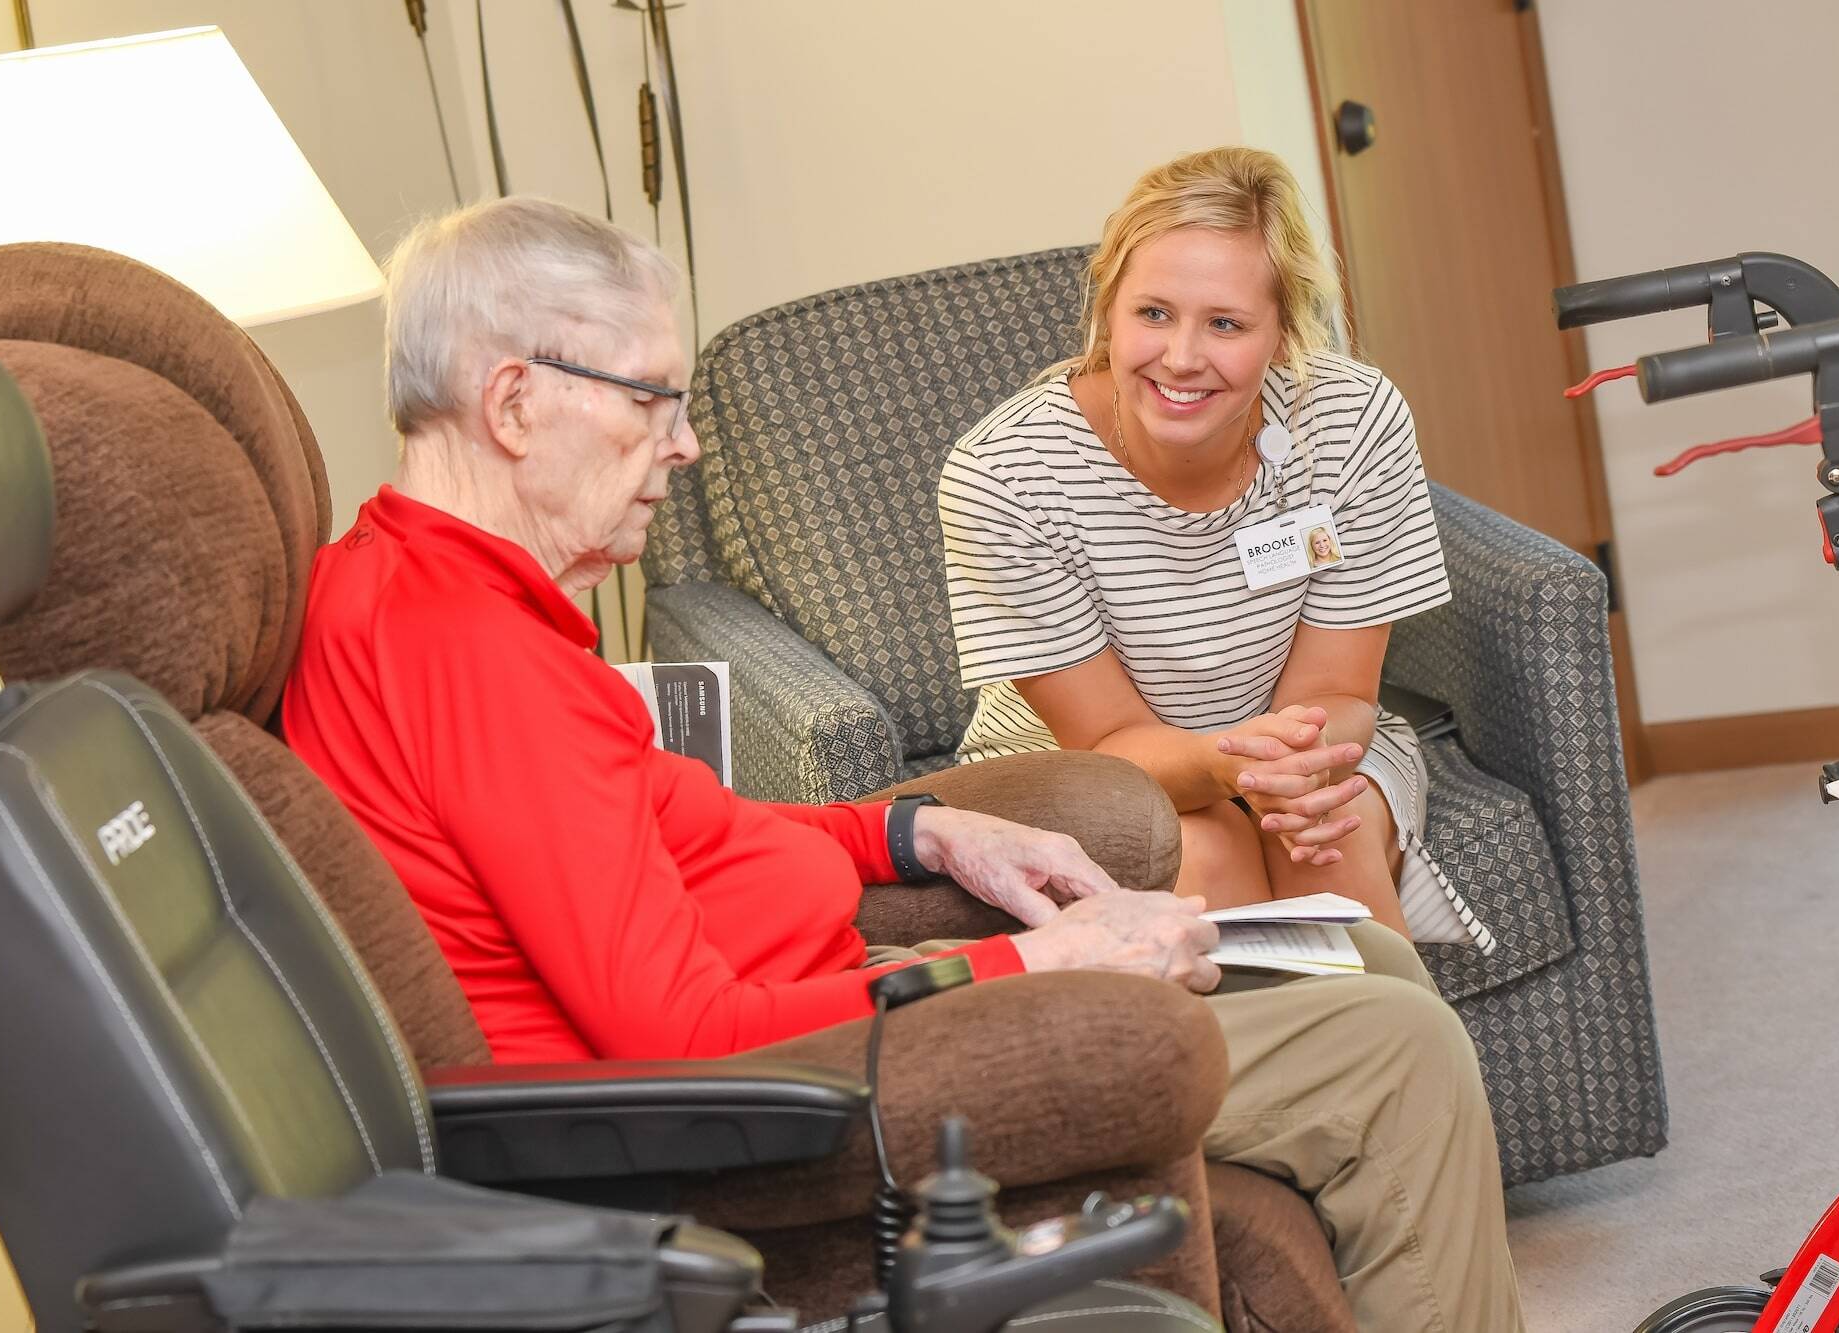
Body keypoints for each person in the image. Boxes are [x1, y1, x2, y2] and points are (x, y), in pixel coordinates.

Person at [283, 194, 1524, 1330]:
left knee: (1352, 950)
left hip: (846, 1003)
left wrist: (917, 833)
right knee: (1396, 1056)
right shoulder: (470, 657)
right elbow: (680, 1033)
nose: (685, 446)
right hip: (794, 1091)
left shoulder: (425, 591)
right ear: (513, 404)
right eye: (652, 399)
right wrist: (1030, 961)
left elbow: (673, 814)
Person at [939, 146, 1490, 953]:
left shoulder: (1349, 421)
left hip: (1305, 742)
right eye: (1153, 313)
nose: (1182, 358)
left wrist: (1286, 775)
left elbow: (1336, 689)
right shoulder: (1004, 475)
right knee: (1204, 852)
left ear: (1284, 333)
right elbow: (1106, 741)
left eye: (1226, 323)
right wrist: (1233, 775)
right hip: (1084, 766)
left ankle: (1386, 1074)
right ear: (1107, 308)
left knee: (1322, 840)